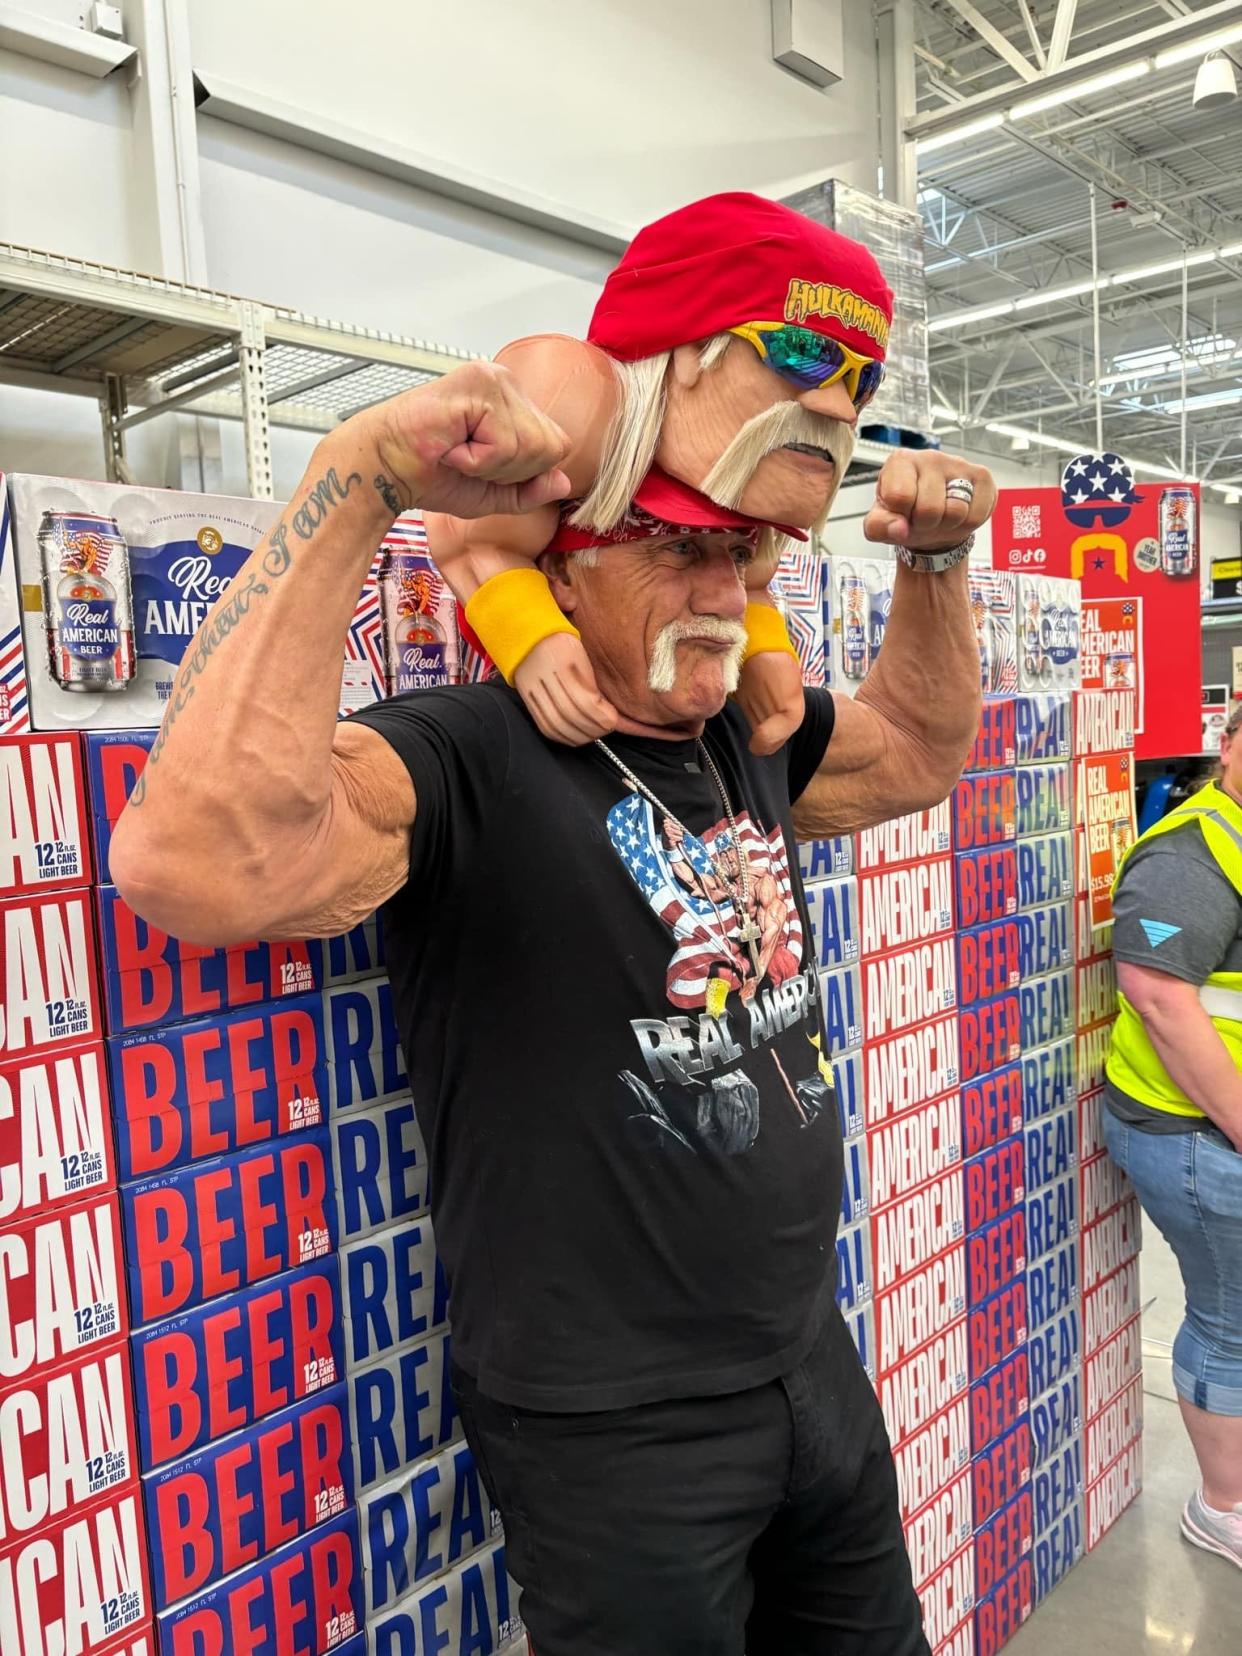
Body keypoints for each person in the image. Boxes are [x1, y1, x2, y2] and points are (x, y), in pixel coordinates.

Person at [111, 308, 992, 1656]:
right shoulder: (468, 751)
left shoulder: (747, 730)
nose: (717, 591)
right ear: (563, 573)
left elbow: (919, 754)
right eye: (674, 552)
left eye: (738, 556)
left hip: (810, 1357)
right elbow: (194, 865)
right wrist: (358, 480)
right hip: (615, 1422)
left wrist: (933, 565)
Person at [1105, 698, 1242, 1570]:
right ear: (1230, 745)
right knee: (1232, 1322)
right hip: (1200, 1134)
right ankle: (1222, 1506)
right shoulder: (1192, 856)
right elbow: (1159, 997)